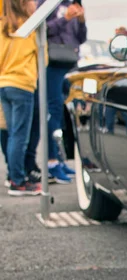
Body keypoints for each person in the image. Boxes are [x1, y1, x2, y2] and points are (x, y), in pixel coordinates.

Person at [35, 0, 87, 184]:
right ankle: (51, 161)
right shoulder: (47, 4)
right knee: (53, 110)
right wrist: (65, 18)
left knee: (65, 114)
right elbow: (42, 30)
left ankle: (60, 159)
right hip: (53, 64)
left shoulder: (73, 3)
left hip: (71, 63)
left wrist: (80, 20)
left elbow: (81, 38)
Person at [0, 0, 44, 196]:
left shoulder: (2, 25)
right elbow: (44, 57)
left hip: (4, 84)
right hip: (23, 85)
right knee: (19, 136)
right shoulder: (31, 27)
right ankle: (18, 181)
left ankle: (12, 176)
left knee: (12, 134)